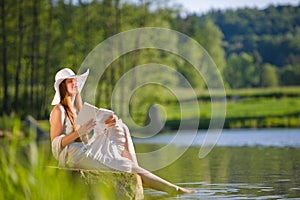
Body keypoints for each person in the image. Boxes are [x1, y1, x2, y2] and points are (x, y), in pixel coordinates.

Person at [49, 68, 196, 195]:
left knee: (120, 127)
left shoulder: (79, 109)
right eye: (70, 82)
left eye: (75, 81)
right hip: (73, 156)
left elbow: (85, 139)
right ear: (63, 86)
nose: (74, 84)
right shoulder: (59, 110)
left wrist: (104, 126)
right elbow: (56, 144)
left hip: (83, 150)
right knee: (124, 165)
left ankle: (135, 173)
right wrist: (78, 132)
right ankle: (171, 188)